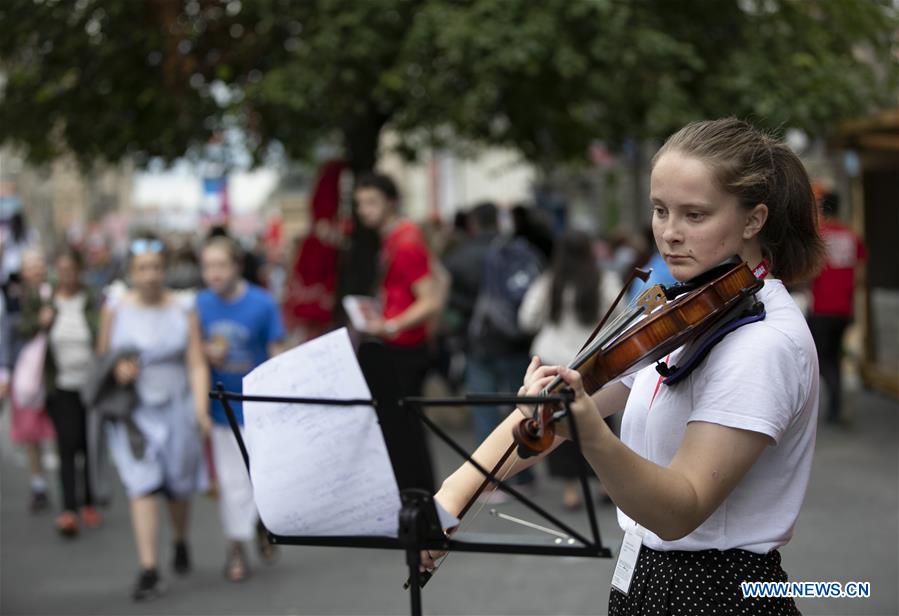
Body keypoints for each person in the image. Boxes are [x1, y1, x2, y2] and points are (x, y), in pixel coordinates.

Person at [423, 118, 824, 615]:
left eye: (694, 215)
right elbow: (567, 402)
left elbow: (680, 509)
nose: (670, 234)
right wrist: (446, 501)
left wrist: (593, 436)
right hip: (647, 583)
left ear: (753, 220)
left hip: (718, 593)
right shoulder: (688, 311)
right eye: (660, 211)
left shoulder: (764, 342)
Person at [96, 235, 210, 601]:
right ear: (132, 272)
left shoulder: (183, 307)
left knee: (178, 485)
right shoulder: (115, 307)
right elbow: (103, 357)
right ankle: (148, 567)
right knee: (141, 484)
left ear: (166, 271)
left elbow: (195, 361)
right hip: (135, 411)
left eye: (157, 268)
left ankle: (179, 539)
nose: (150, 275)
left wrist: (201, 409)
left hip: (176, 404)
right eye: (143, 269)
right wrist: (119, 370)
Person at [196, 236, 286, 582]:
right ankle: (236, 548)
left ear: (236, 266)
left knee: (261, 480)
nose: (213, 273)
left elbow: (277, 350)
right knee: (232, 483)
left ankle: (264, 524)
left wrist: (282, 401)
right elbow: (193, 354)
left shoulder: (262, 303)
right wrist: (204, 352)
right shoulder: (200, 305)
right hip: (223, 412)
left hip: (259, 410)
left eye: (220, 265)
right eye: (207, 266)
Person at [518, 229, 621, 509]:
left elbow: (527, 318)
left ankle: (570, 490)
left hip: (552, 360)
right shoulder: (604, 279)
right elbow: (619, 314)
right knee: (598, 418)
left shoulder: (550, 281)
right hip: (589, 361)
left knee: (556, 421)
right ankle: (604, 483)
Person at [355, 172, 445, 492]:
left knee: (406, 430)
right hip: (399, 345)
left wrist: (389, 325)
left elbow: (430, 300)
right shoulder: (397, 238)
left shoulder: (405, 241)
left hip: (404, 349)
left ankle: (421, 501)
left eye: (371, 202)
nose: (364, 210)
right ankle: (419, 500)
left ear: (390, 202)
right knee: (403, 428)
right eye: (360, 203)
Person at [23, 249, 103, 536]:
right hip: (60, 385)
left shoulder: (92, 298)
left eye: (72, 270)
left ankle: (90, 501)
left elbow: (104, 335)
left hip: (90, 385)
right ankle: (69, 508)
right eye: (62, 270)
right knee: (67, 445)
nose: (67, 276)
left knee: (88, 445)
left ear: (80, 271)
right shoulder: (44, 299)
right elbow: (22, 329)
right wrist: (39, 322)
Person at [807, 190, 865, 425]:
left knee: (820, 358)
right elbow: (860, 273)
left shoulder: (820, 235)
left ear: (823, 208)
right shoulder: (852, 236)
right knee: (833, 356)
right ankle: (835, 407)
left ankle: (832, 406)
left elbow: (810, 269)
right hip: (843, 307)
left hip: (822, 305)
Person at [10, 249, 56, 513]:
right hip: (27, 375)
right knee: (31, 434)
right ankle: (38, 483)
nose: (37, 269)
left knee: (57, 430)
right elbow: (12, 332)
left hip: (51, 373)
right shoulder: (16, 298)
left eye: (40, 264)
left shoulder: (54, 293)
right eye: (32, 265)